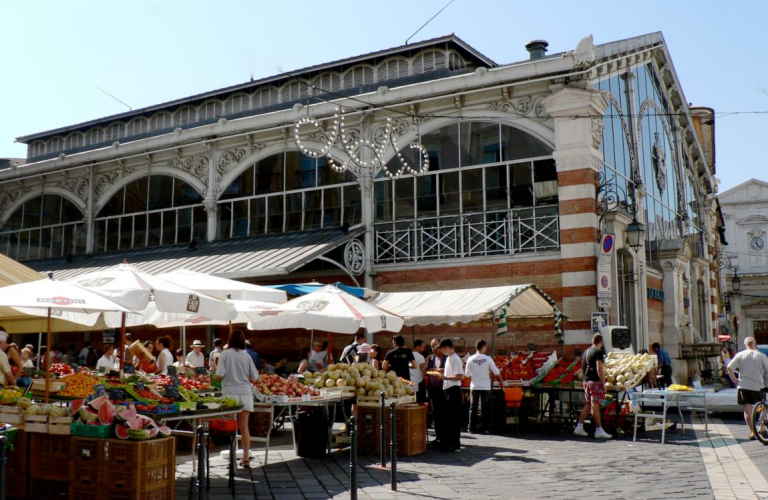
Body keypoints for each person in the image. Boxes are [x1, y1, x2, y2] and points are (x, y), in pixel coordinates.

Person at [214, 329, 259, 468]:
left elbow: (219, 375)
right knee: (244, 427)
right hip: (245, 392)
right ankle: (245, 458)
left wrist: (214, 375)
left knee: (231, 427)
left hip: (230, 393)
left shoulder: (225, 354)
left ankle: (232, 459)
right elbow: (255, 376)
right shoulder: (247, 356)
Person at [727, 337, 768, 440]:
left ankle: (752, 432)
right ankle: (761, 426)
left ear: (745, 344)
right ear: (755, 344)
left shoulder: (740, 355)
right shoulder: (761, 356)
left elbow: (729, 368)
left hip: (743, 386)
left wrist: (735, 380)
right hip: (758, 386)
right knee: (765, 406)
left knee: (747, 408)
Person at [574, 333, 612, 439]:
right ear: (601, 342)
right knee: (595, 404)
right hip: (594, 381)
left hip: (586, 381)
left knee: (588, 404)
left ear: (592, 341)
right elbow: (599, 368)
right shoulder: (598, 352)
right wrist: (603, 384)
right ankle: (599, 429)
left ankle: (579, 427)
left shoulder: (586, 351)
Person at [464, 339, 503, 434]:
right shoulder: (488, 359)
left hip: (474, 386)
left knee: (473, 407)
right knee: (485, 407)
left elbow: (467, 375)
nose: (486, 348)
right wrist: (501, 381)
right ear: (483, 347)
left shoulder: (470, 359)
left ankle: (471, 427)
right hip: (485, 386)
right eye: (485, 347)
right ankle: (485, 428)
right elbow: (496, 371)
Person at [435, 338, 464, 452]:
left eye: (442, 349)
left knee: (453, 418)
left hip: (453, 390)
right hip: (448, 389)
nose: (441, 351)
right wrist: (443, 371)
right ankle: (448, 442)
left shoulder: (455, 359)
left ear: (447, 347)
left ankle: (455, 444)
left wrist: (445, 377)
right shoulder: (449, 358)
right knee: (448, 418)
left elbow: (460, 376)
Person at [425, 338, 445, 440]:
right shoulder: (431, 358)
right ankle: (438, 436)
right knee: (436, 413)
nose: (434, 348)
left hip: (444, 390)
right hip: (433, 389)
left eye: (435, 346)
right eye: (432, 346)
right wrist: (430, 370)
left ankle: (444, 436)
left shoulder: (446, 358)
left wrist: (442, 371)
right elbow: (426, 370)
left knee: (444, 413)